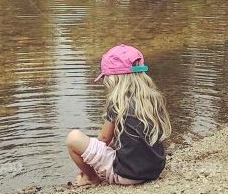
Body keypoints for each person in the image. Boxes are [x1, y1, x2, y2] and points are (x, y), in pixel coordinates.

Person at [66, 45, 171, 186]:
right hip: (155, 170)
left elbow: (104, 139)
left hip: (128, 175)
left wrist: (89, 164)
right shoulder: (153, 98)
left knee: (73, 138)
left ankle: (91, 178)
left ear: (114, 79)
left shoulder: (118, 103)